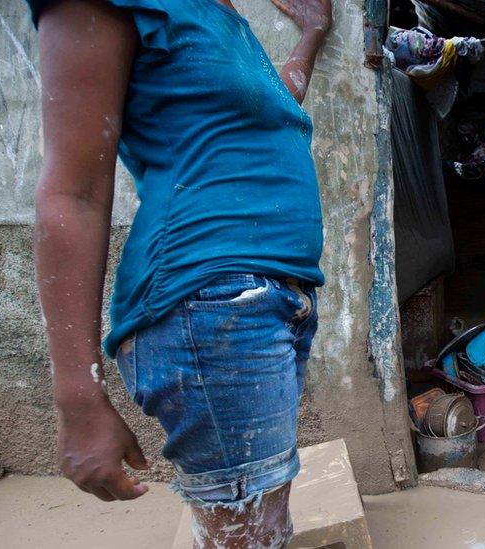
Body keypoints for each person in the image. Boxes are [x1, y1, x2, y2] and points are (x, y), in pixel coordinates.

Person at [28, 0, 331, 545]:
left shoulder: (219, 15)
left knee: (257, 530)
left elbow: (272, 110)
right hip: (211, 304)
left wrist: (311, 32)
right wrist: (77, 394)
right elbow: (73, 193)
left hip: (266, 300)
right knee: (250, 534)